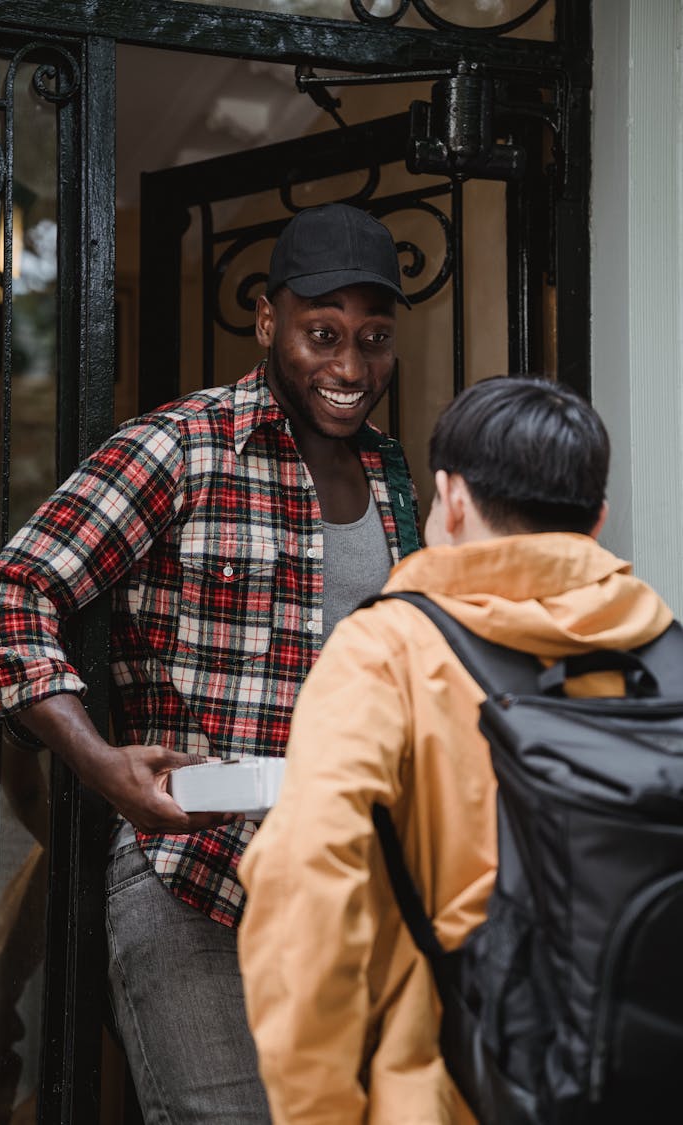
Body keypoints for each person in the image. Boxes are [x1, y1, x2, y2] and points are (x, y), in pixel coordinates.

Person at [0, 202, 420, 1123]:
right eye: (322, 333)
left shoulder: (393, 472)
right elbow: (6, 601)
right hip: (196, 875)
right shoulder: (181, 446)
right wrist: (96, 761)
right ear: (266, 321)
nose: (350, 367)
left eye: (373, 339)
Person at [237, 375, 673, 1125]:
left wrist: (319, 1110)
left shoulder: (387, 649)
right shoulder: (662, 651)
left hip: (448, 1092)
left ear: (454, 498)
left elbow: (307, 879)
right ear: (596, 520)